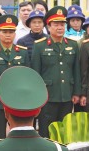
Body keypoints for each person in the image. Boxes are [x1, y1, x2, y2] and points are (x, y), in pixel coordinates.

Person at [28, 7, 80, 138]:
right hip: (47, 96)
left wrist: (76, 92)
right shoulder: (40, 45)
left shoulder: (73, 45)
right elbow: (36, 73)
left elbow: (76, 71)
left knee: (64, 130)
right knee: (46, 129)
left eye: (62, 24)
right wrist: (37, 96)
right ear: (48, 27)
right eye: (56, 24)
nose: (60, 27)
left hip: (67, 94)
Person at [0, 14, 31, 144]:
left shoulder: (22, 52)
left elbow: (27, 78)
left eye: (11, 32)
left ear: (15, 34)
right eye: (4, 32)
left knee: (18, 134)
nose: (8, 35)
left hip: (17, 101)